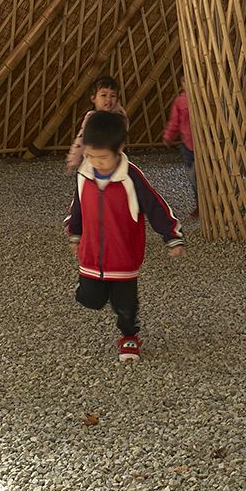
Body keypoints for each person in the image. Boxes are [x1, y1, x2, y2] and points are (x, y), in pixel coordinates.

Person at [66, 110, 184, 362]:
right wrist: (74, 232)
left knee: (126, 306)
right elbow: (77, 207)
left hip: (123, 257)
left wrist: (172, 236)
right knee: (90, 299)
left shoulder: (132, 178)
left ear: (119, 148)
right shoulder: (84, 174)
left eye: (102, 158)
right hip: (91, 254)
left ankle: (129, 337)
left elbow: (155, 207)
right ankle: (93, 290)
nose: (96, 162)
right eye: (90, 156)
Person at [64, 74, 123, 173]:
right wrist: (73, 160)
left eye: (113, 96)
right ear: (93, 98)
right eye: (104, 95)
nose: (108, 100)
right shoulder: (90, 118)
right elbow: (81, 139)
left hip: (112, 160)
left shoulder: (119, 117)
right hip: (92, 161)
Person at [162, 88, 196, 218]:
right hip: (188, 145)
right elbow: (174, 121)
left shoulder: (208, 97)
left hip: (205, 145)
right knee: (193, 177)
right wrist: (168, 136)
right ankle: (200, 203)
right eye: (184, 81)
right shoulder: (181, 101)